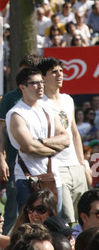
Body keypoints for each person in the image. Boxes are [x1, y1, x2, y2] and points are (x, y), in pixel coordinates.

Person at [6, 66, 70, 213]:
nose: (40, 86)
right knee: (31, 229)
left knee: (53, 226)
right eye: (35, 83)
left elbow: (66, 139)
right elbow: (29, 147)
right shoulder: (16, 113)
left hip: (53, 177)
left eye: (42, 82)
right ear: (22, 87)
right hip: (28, 178)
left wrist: (41, 141)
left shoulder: (48, 110)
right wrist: (54, 148)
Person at [0, 54, 42, 234]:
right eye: (24, 72)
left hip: (45, 163)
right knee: (14, 211)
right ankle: (8, 247)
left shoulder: (44, 97)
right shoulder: (10, 98)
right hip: (16, 162)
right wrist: (1, 159)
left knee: (46, 208)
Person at [38, 57, 88, 224]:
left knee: (84, 216)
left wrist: (82, 165)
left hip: (75, 166)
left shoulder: (68, 99)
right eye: (54, 72)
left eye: (61, 71)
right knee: (65, 219)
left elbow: (74, 133)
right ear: (43, 77)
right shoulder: (39, 104)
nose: (59, 74)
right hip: (56, 167)